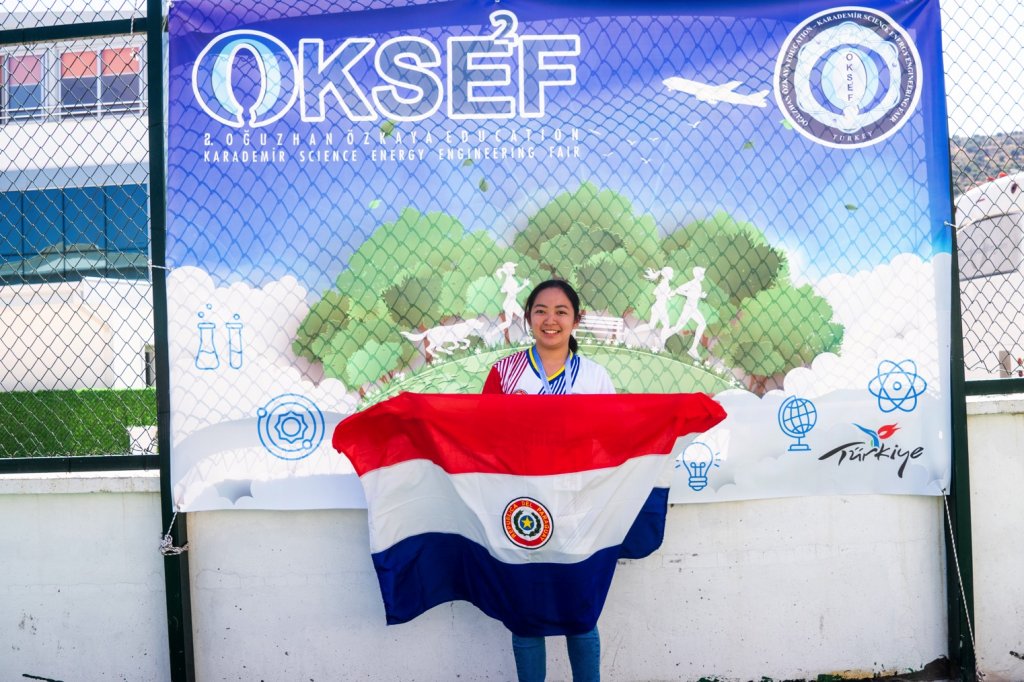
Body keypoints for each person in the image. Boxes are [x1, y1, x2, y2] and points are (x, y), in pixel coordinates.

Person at [482, 279, 613, 681]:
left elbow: (613, 441)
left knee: (580, 611)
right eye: (540, 310)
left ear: (576, 319)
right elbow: (483, 437)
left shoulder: (594, 377)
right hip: (521, 507)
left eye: (561, 311)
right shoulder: (504, 373)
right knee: (526, 612)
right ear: (528, 318)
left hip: (577, 507)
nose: (550, 320)